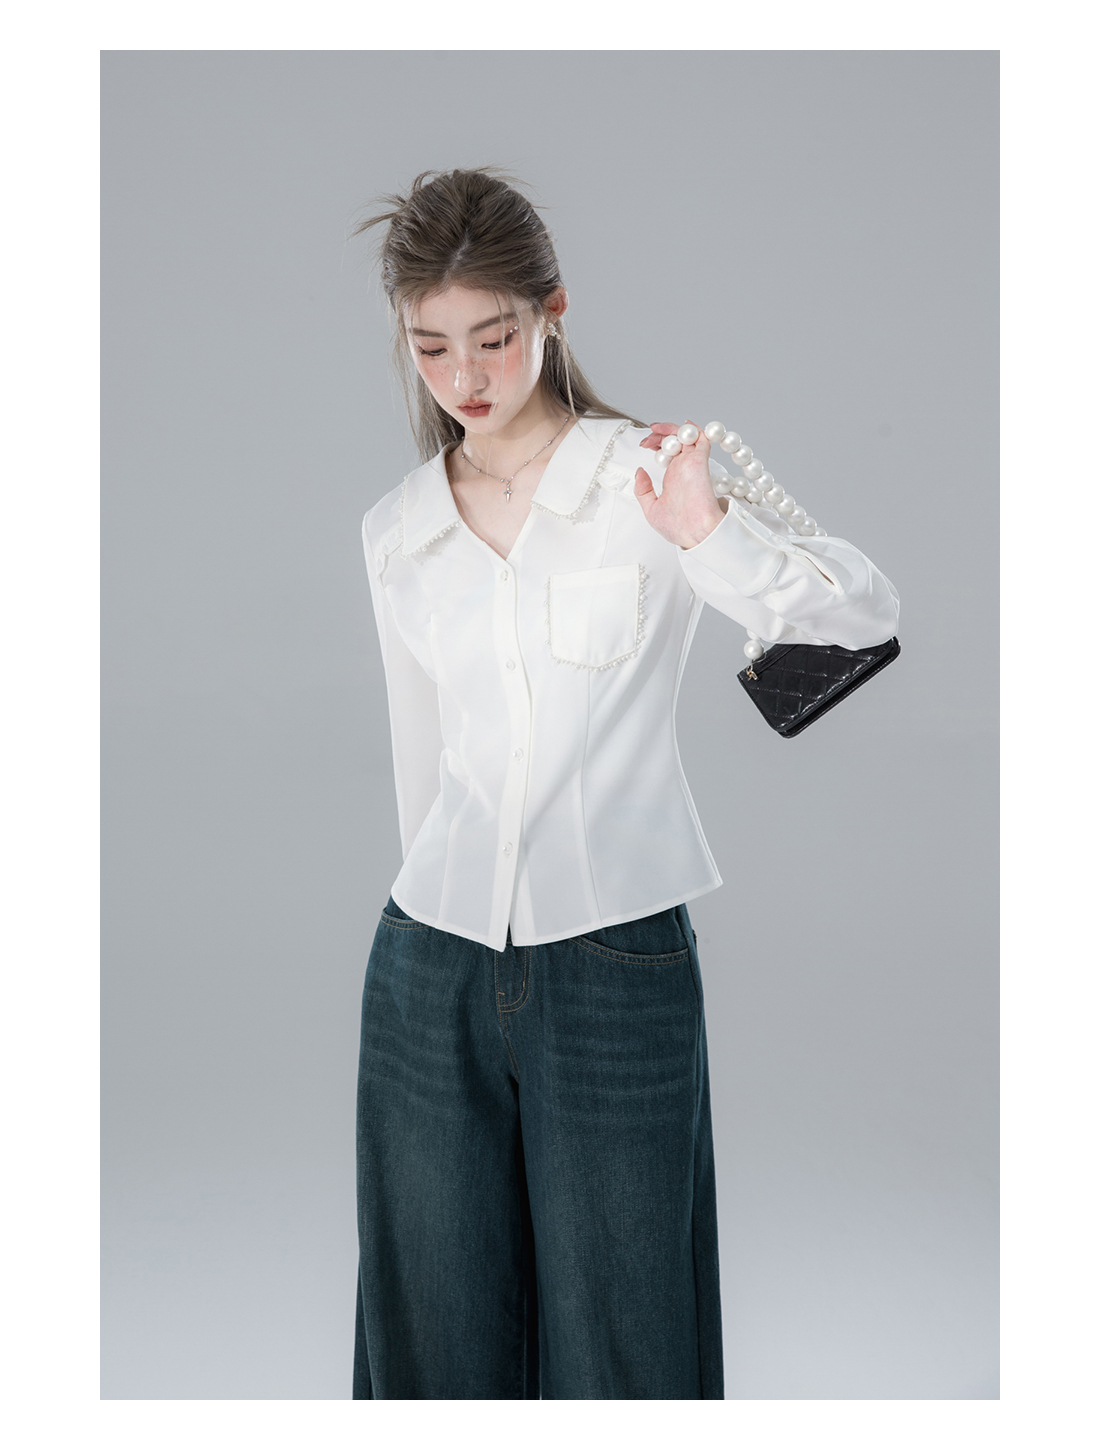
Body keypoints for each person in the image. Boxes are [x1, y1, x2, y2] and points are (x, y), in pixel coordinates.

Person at [351, 167, 899, 1400]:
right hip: (426, 962)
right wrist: (434, 928)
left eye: (492, 336)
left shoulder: (646, 478)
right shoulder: (397, 529)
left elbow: (861, 616)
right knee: (429, 1322)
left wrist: (709, 532)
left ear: (552, 311)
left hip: (612, 957)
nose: (464, 375)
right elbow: (419, 771)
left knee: (627, 1326)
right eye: (431, 347)